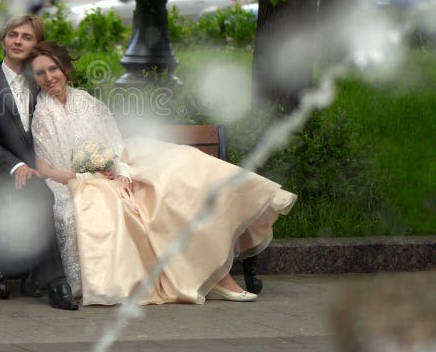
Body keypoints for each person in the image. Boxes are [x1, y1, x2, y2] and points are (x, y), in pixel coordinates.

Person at [29, 41, 297, 306]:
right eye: (40, 73)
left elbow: (115, 144)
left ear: (64, 68)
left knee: (183, 166)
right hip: (80, 181)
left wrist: (121, 173)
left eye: (53, 69)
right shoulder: (42, 114)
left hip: (124, 161)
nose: (48, 77)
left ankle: (246, 199)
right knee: (155, 201)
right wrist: (85, 177)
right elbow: (45, 168)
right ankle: (215, 276)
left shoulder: (87, 102)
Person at [0, 15, 78, 310]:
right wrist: (16, 166)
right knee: (40, 193)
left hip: (43, 169)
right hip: (2, 174)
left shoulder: (41, 80)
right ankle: (57, 283)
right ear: (3, 40)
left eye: (26, 37)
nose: (18, 41)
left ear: (35, 45)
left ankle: (35, 276)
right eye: (13, 34)